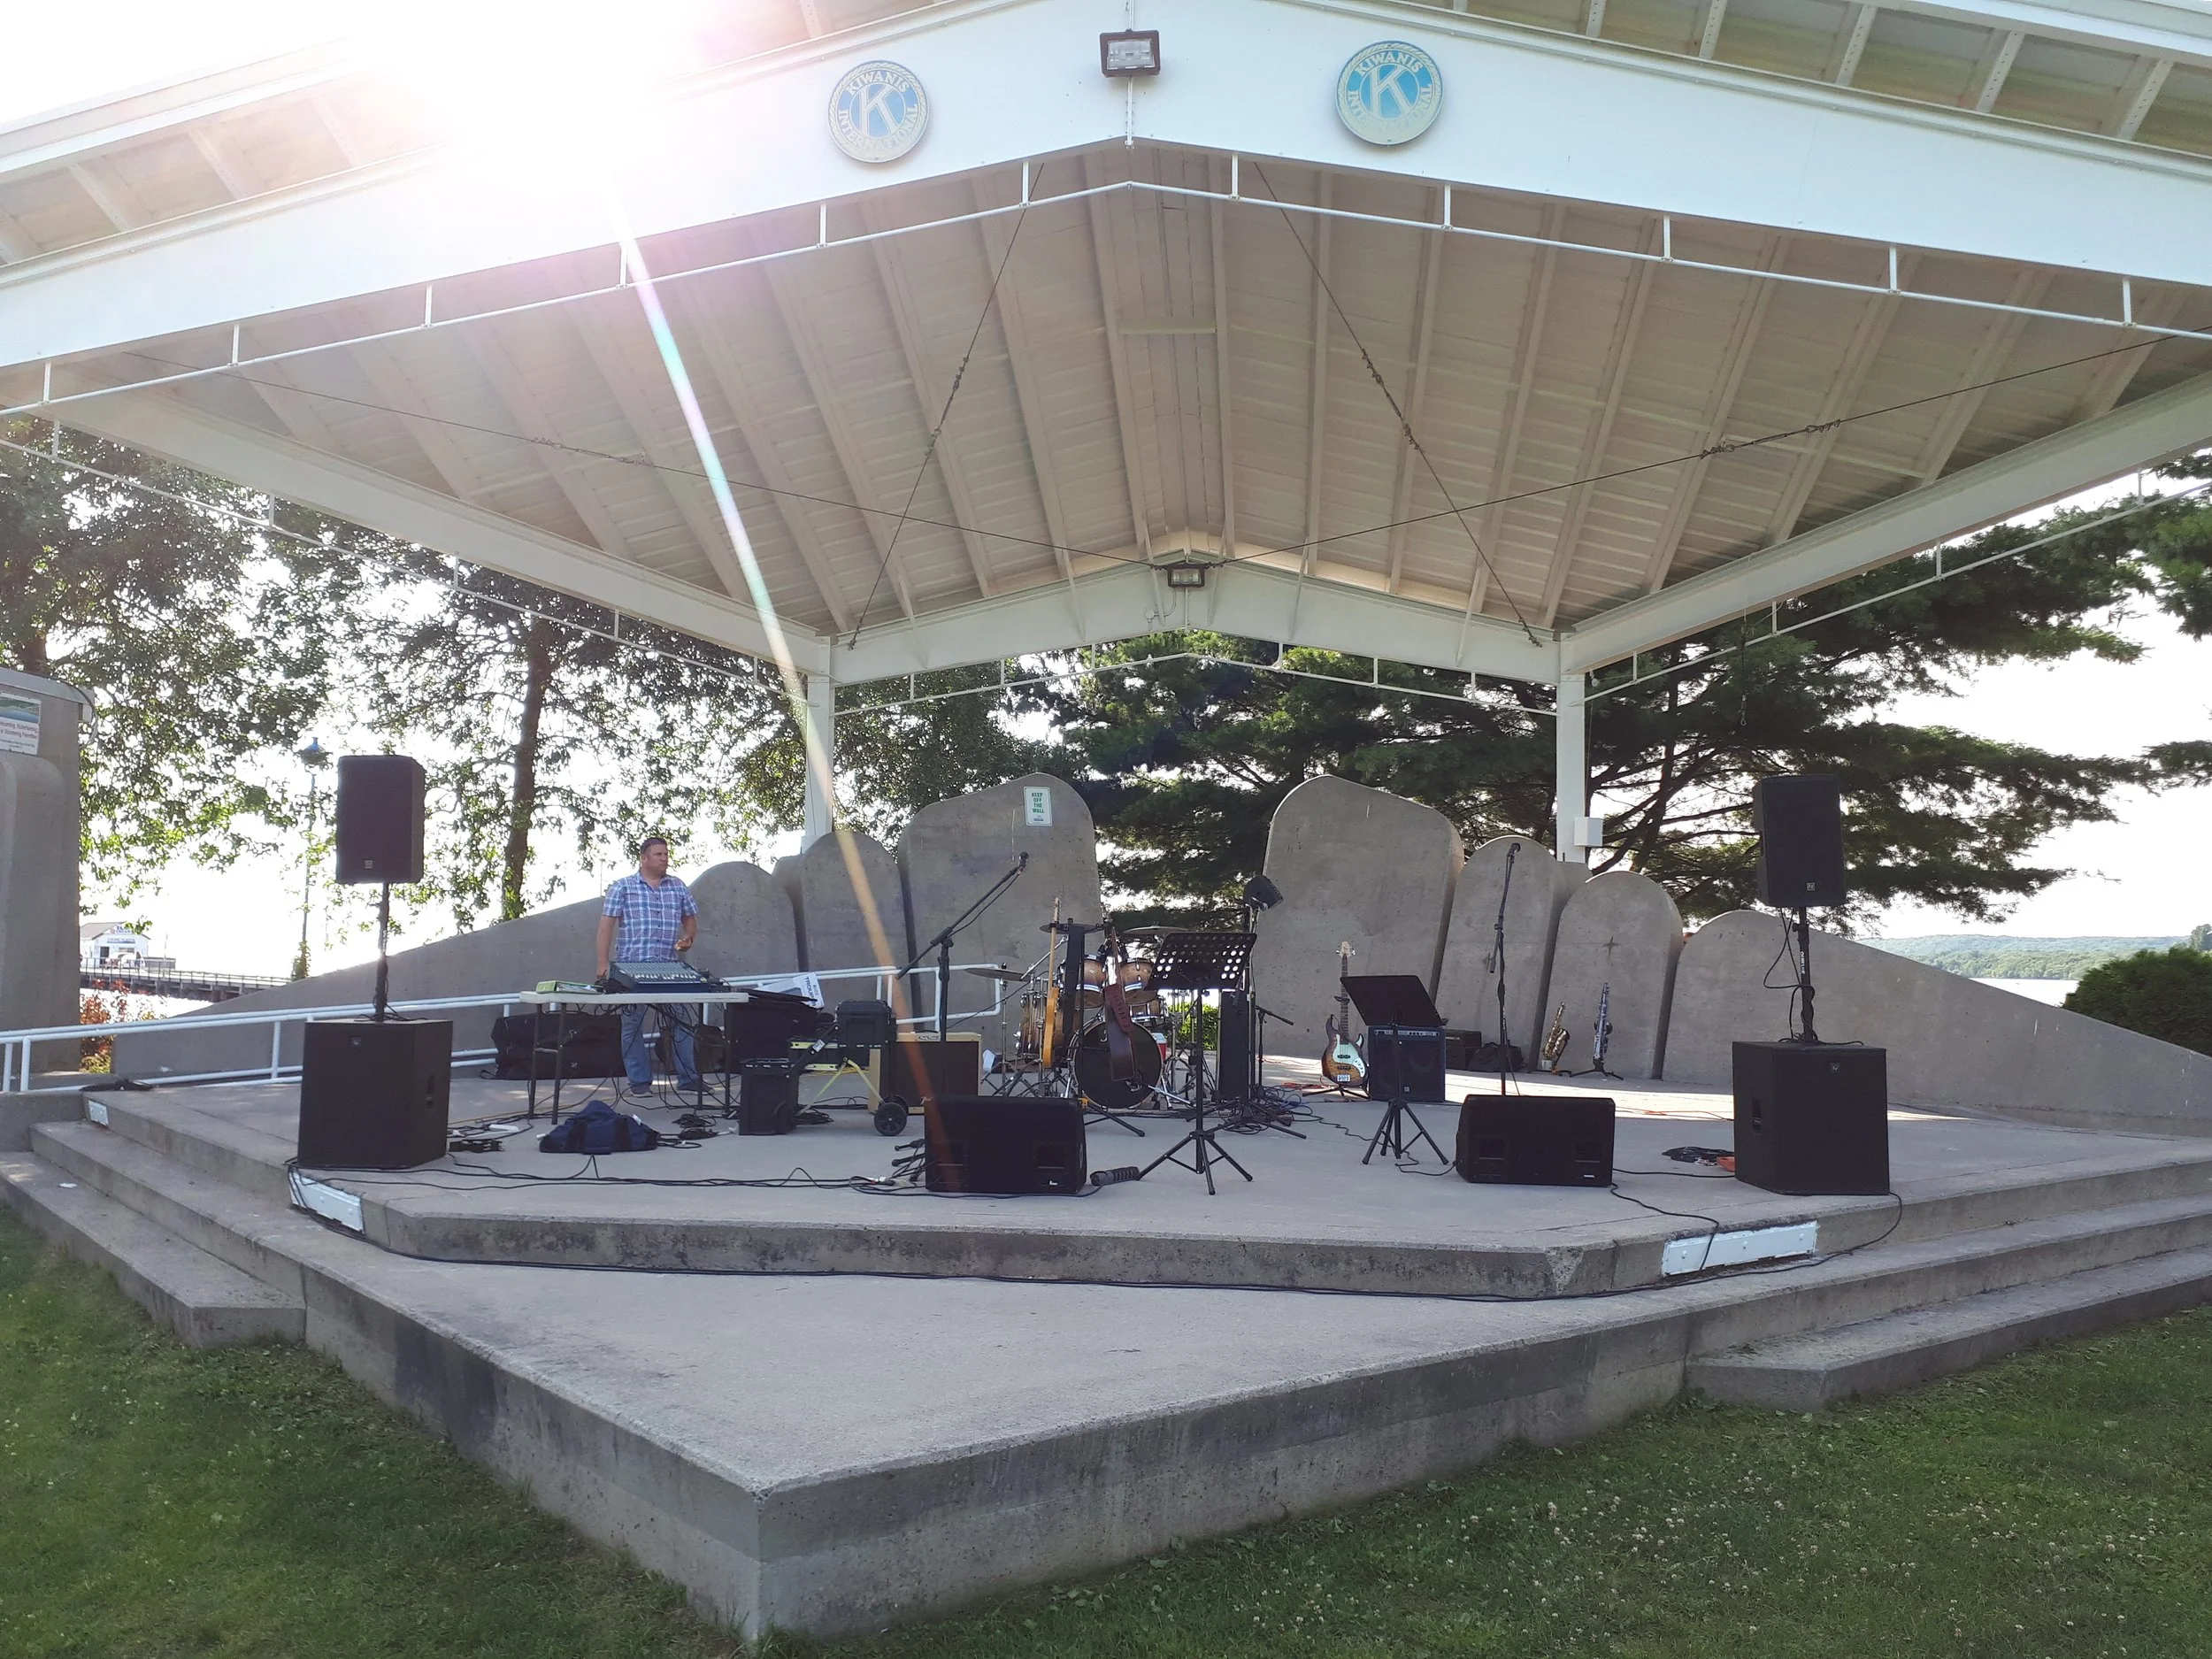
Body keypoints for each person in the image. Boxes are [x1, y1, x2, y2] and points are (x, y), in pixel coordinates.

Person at [595, 835, 702, 1094]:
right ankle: (640, 1082)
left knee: (683, 1020)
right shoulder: (623, 887)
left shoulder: (677, 886)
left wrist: (688, 938)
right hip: (632, 967)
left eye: (666, 854)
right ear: (644, 858)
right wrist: (602, 964)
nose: (664, 858)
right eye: (658, 854)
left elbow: (690, 920)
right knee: (632, 1024)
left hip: (668, 966)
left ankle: (688, 1079)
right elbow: (605, 928)